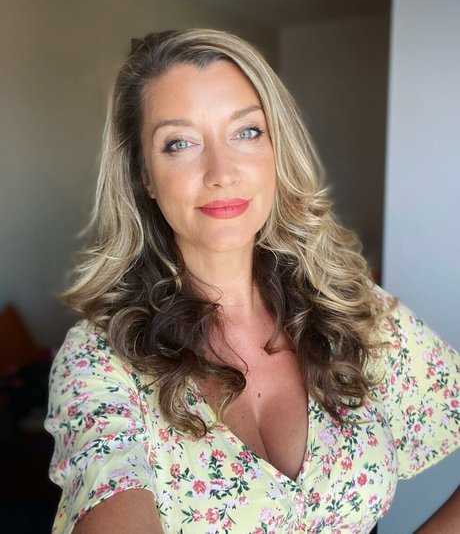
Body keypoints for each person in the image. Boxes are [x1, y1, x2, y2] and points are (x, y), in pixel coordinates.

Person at [44, 29, 459, 534]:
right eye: (179, 143)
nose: (222, 172)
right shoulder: (101, 358)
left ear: (276, 149)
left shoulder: (354, 309)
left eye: (246, 132)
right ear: (144, 176)